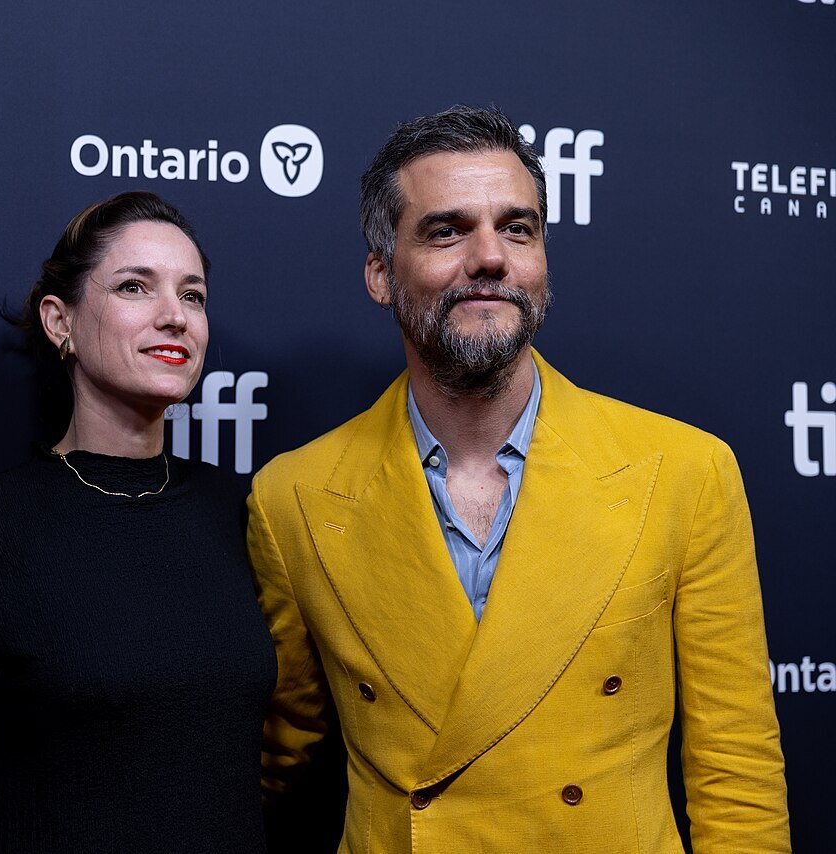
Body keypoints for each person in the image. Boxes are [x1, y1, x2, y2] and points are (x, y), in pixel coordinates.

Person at [248, 105, 790, 852]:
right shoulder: (293, 498)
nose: (490, 257)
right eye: (447, 231)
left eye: (517, 228)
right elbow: (270, 756)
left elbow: (737, 771)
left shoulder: (685, 473)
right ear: (381, 274)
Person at [0, 191, 276, 853]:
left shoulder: (240, 512)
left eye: (193, 295)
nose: (174, 316)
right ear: (59, 321)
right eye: (133, 287)